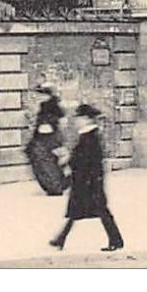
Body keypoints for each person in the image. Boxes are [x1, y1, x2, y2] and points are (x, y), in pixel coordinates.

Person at [50, 104, 123, 252]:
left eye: (79, 118)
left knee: (97, 211)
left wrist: (67, 159)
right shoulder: (87, 135)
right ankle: (61, 239)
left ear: (87, 119)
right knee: (78, 211)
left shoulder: (90, 137)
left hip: (89, 181)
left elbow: (85, 160)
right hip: (87, 180)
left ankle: (116, 240)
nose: (76, 121)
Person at [25, 84, 67, 196]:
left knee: (45, 162)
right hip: (46, 138)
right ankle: (57, 183)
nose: (38, 96)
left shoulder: (51, 106)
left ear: (46, 95)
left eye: (40, 94)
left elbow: (56, 123)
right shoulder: (47, 105)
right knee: (47, 162)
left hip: (47, 138)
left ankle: (55, 185)